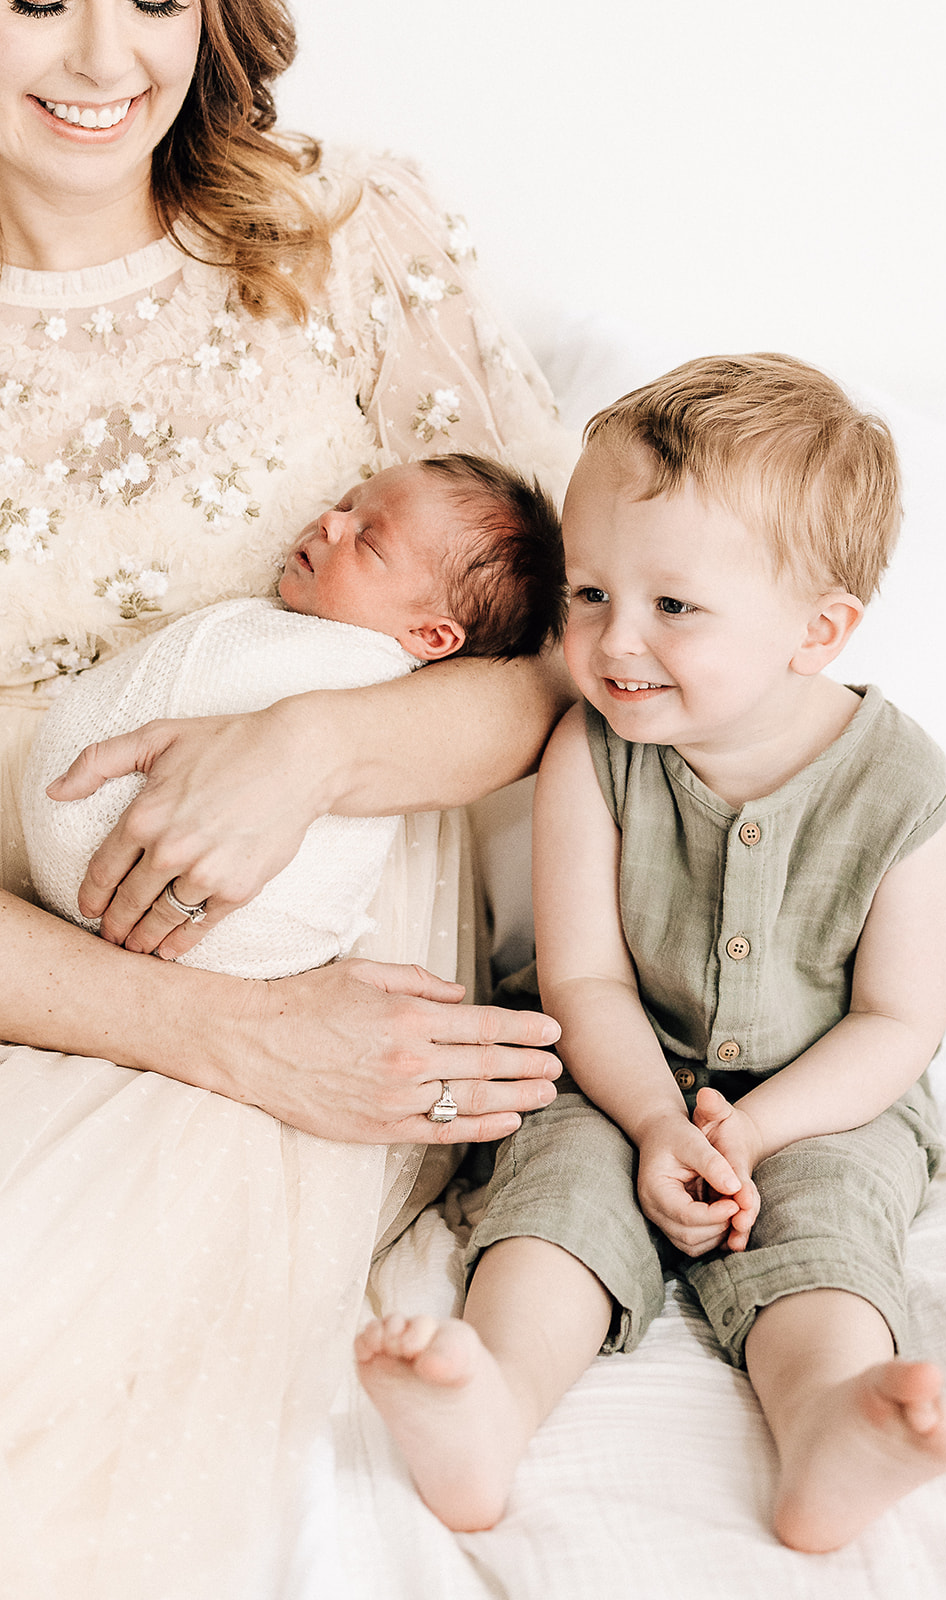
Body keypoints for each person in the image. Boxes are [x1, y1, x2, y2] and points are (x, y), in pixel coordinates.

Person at [0, 1, 574, 1590]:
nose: (108, 58)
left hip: (316, 942)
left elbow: (582, 654)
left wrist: (315, 745)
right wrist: (219, 1033)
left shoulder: (347, 236)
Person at [356, 354, 946, 1552]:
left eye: (672, 606)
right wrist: (651, 1120)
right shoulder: (590, 755)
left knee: (831, 1222)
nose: (610, 640)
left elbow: (896, 1025)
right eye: (588, 592)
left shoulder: (904, 789)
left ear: (819, 629)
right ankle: (489, 1397)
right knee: (556, 1192)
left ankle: (825, 1423)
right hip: (615, 1068)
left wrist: (749, 1133)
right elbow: (580, 979)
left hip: (822, 1098)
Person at [23, 452, 566, 982]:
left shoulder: (368, 679)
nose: (331, 522)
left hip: (213, 911)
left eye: (369, 540)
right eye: (346, 504)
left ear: (432, 636)